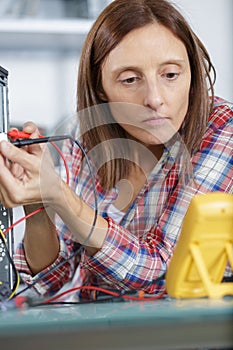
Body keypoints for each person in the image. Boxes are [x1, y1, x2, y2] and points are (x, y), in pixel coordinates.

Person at [0, 0, 232, 300]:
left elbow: (160, 278)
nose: (155, 98)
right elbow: (47, 277)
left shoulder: (222, 128)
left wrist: (61, 195)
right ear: (100, 88)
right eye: (130, 80)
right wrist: (38, 201)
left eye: (171, 75)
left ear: (192, 73)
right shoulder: (85, 134)